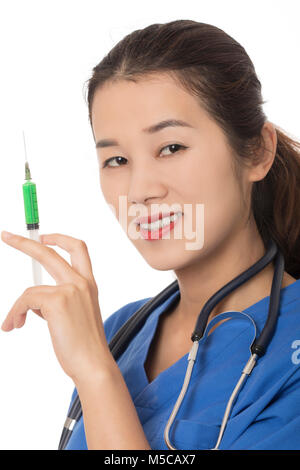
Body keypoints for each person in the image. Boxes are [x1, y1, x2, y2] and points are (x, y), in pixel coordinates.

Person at [2, 19, 300, 450]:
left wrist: (95, 372)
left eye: (171, 148)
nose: (140, 191)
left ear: (257, 152)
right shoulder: (119, 331)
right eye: (117, 160)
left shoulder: (288, 354)